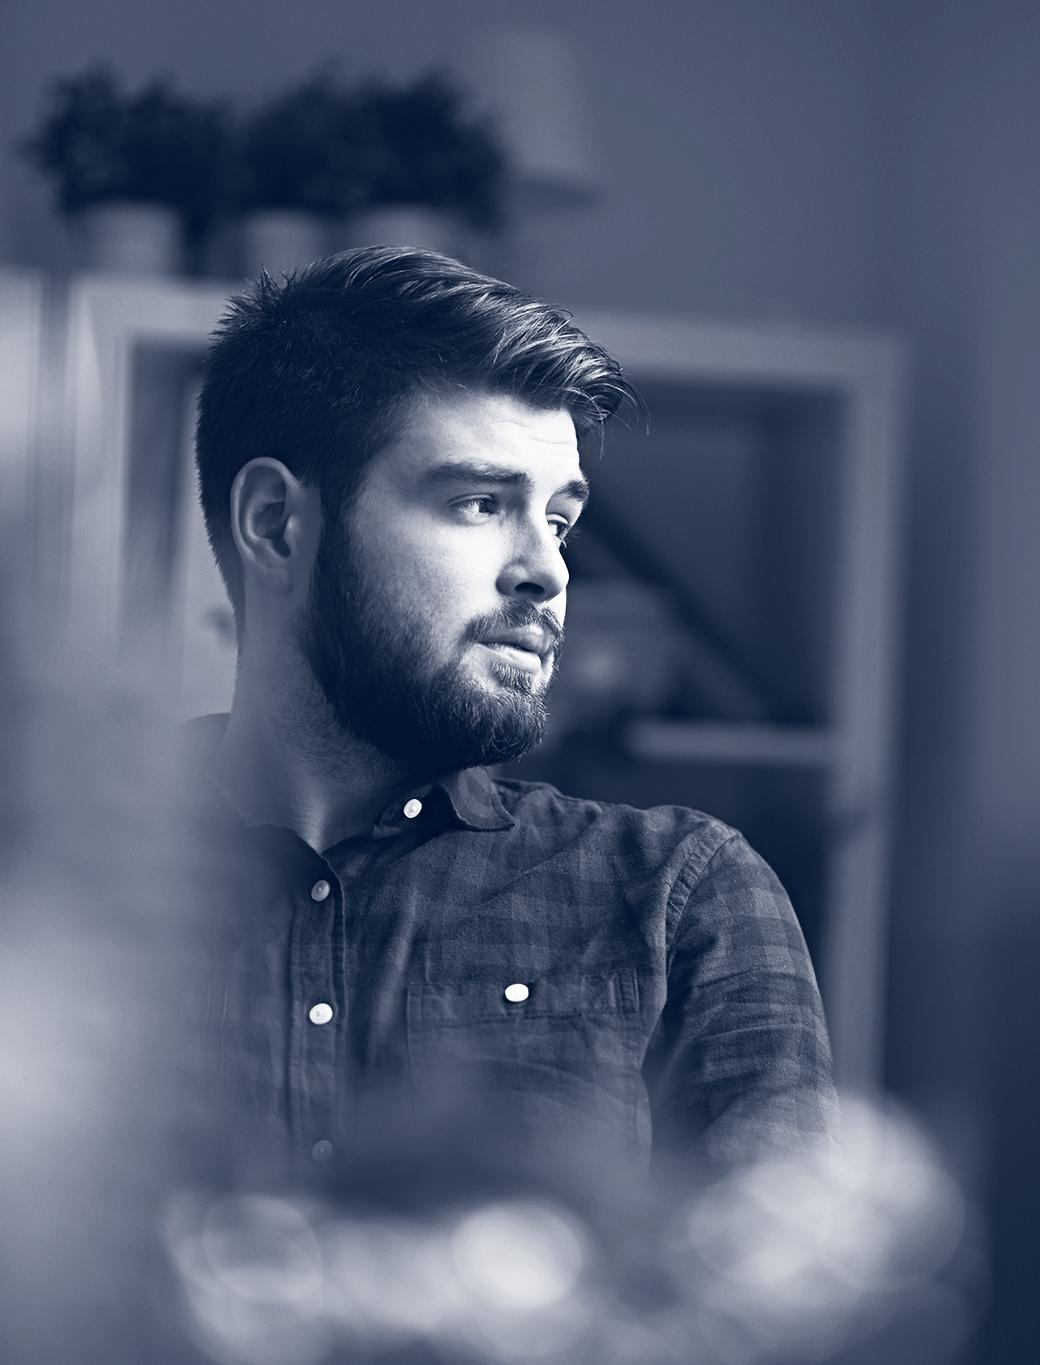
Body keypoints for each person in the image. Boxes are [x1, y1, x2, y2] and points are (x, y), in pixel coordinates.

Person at [182, 246, 839, 1178]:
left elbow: (780, 1266)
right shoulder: (51, 878)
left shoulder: (679, 896)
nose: (549, 571)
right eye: (480, 503)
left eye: (559, 521)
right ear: (275, 524)